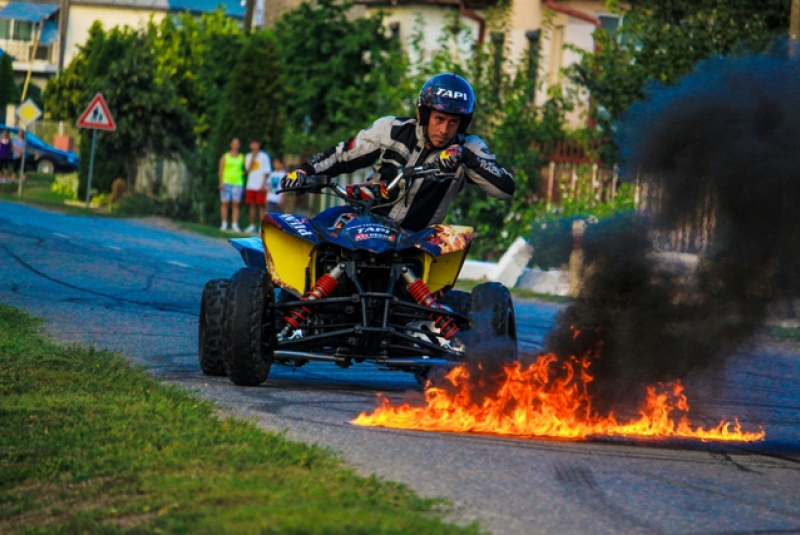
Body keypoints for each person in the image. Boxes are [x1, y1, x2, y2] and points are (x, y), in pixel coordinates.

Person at [281, 73, 514, 232]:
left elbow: (504, 189)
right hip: (365, 223)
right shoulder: (389, 129)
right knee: (317, 226)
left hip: (416, 239)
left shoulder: (469, 147)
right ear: (424, 114)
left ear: (463, 124)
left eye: (453, 122)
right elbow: (342, 155)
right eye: (440, 119)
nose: (444, 130)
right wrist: (305, 171)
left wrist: (466, 157)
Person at [243, 138, 272, 233]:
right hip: (251, 185)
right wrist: (253, 158)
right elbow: (247, 170)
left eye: (256, 143)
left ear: (259, 144)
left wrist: (263, 184)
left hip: (260, 185)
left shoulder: (264, 156)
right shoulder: (248, 156)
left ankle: (262, 226)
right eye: (252, 143)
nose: (254, 145)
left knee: (261, 206)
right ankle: (251, 225)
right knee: (252, 206)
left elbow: (267, 172)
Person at [218, 137, 245, 232]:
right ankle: (224, 223)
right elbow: (221, 170)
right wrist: (221, 182)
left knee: (236, 204)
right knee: (225, 203)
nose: (235, 145)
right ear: (231, 145)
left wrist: (243, 173)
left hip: (238, 182)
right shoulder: (225, 156)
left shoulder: (242, 157)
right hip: (226, 182)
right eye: (234, 143)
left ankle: (235, 224)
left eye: (237, 143)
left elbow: (245, 169)